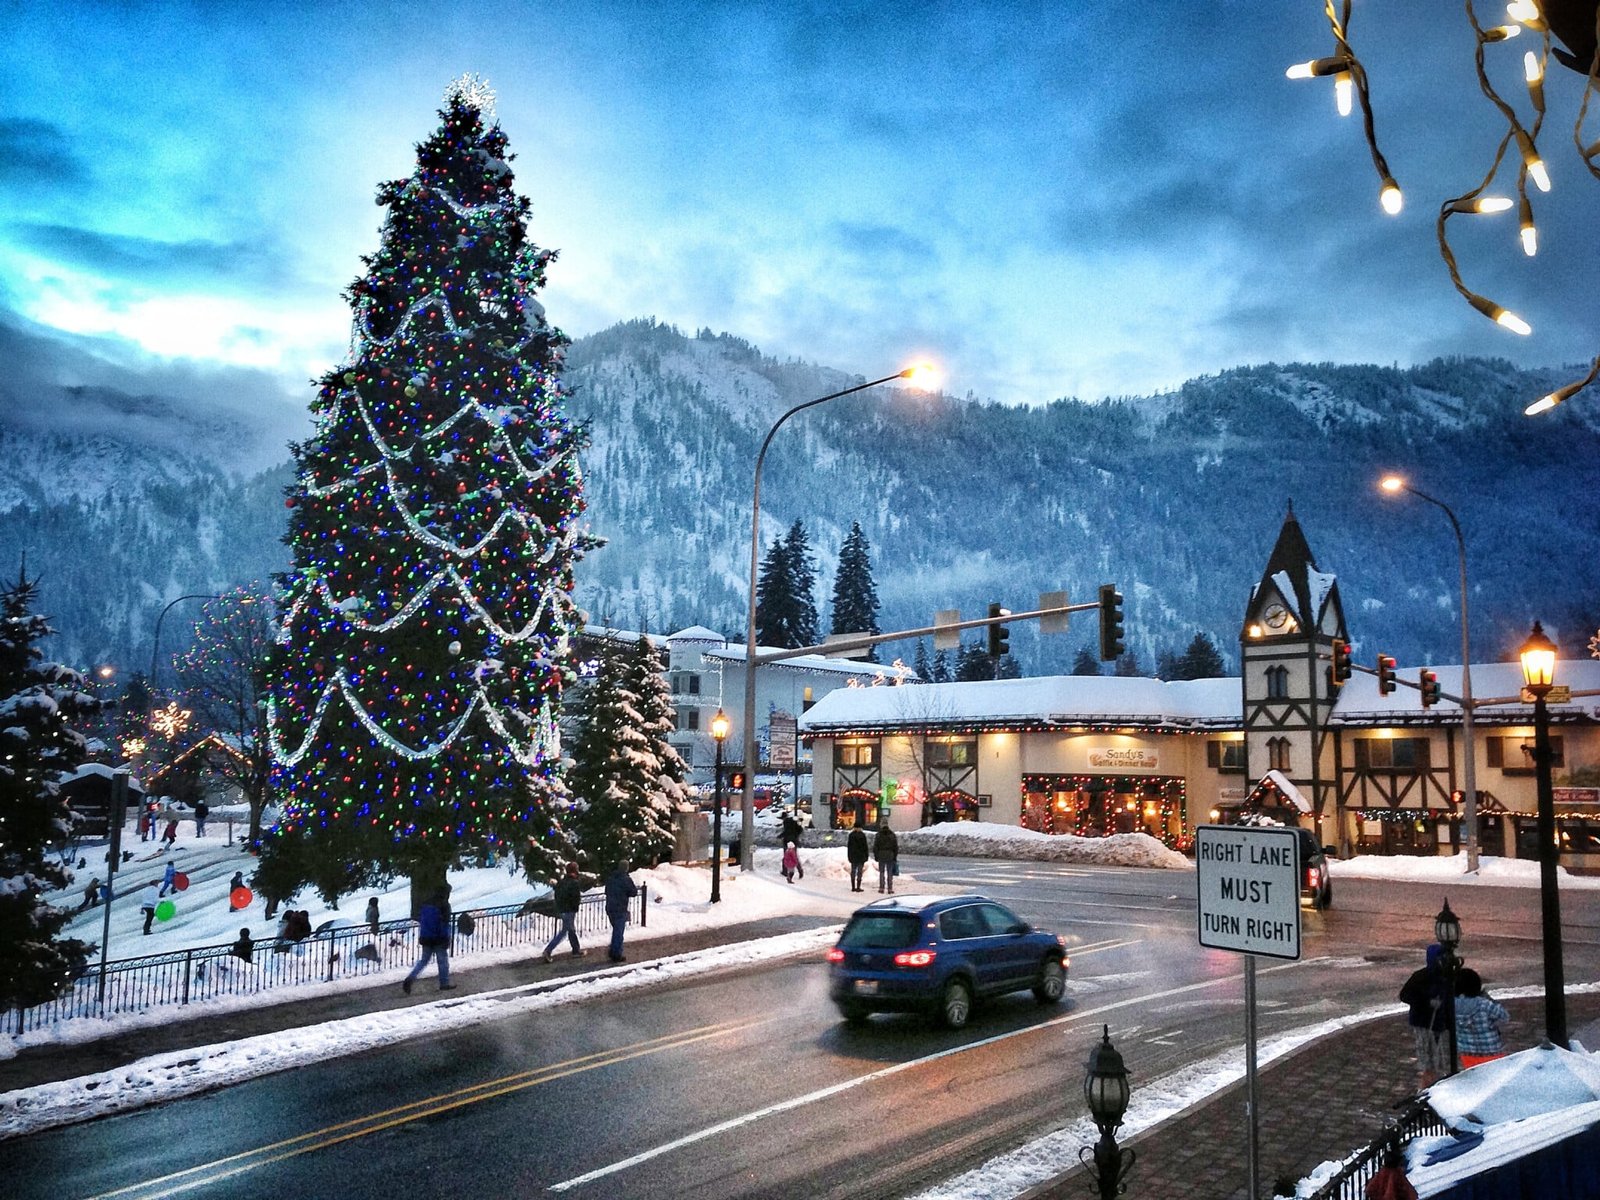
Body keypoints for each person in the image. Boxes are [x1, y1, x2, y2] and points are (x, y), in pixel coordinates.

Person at [1398, 944, 1453, 1086]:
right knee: (1428, 1061)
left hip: (1440, 1024)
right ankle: (1425, 1088)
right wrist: (1427, 1001)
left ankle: (1437, 1084)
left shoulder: (1447, 977)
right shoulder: (1420, 977)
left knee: (1440, 1060)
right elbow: (1405, 995)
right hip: (1423, 1023)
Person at [1453, 968, 1509, 1068]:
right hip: (1491, 1052)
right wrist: (1488, 997)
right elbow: (1504, 1017)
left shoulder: (1451, 1005)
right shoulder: (1484, 1004)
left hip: (1467, 1053)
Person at [402, 892, 454, 994]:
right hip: (439, 938)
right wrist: (446, 938)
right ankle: (444, 983)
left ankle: (410, 978)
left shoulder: (426, 905)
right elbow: (444, 924)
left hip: (426, 937)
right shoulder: (444, 906)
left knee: (423, 961)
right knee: (443, 962)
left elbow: (423, 921)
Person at [542, 862, 584, 962]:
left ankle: (576, 950)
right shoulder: (574, 883)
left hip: (562, 909)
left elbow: (557, 895)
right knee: (565, 931)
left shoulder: (562, 882)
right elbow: (575, 898)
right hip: (570, 910)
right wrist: (575, 907)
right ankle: (548, 950)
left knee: (570, 930)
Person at [604, 860, 639, 963]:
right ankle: (616, 953)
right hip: (620, 908)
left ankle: (613, 950)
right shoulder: (626, 879)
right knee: (619, 932)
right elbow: (633, 892)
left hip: (610, 907)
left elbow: (606, 891)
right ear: (626, 868)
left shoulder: (611, 878)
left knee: (616, 930)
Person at [873, 821, 899, 894]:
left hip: (881, 854)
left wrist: (876, 856)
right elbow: (895, 847)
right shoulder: (892, 834)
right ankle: (890, 888)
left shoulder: (878, 835)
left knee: (881, 872)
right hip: (890, 854)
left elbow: (876, 846)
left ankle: (881, 888)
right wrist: (895, 856)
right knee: (890, 872)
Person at [846, 826, 870, 893]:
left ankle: (853, 887)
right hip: (861, 856)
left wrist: (849, 856)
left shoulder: (851, 835)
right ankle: (858, 887)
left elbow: (849, 847)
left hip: (853, 856)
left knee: (853, 871)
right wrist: (866, 856)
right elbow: (865, 847)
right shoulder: (862, 835)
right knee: (859, 872)